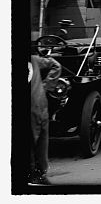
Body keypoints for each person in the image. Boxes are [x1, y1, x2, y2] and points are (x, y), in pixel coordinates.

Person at [29, 44, 63, 185]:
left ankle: (33, 173)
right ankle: (38, 173)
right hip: (39, 104)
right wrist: (46, 86)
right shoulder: (34, 60)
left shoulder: (34, 60)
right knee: (39, 141)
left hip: (36, 106)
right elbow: (56, 65)